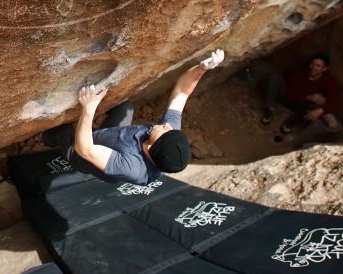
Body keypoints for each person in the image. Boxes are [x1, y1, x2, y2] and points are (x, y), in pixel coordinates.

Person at [42, 49, 225, 186]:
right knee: (125, 107)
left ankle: (48, 138)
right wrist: (202, 69)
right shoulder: (168, 137)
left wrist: (88, 109)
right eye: (170, 129)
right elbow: (182, 94)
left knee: (65, 130)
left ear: (153, 147)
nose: (167, 126)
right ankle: (91, 127)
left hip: (82, 154)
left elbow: (86, 149)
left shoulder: (132, 168)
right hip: (111, 137)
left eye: (165, 131)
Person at [260, 53, 340, 137]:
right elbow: (289, 92)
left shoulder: (328, 82)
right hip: (288, 98)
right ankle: (269, 109)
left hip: (302, 107)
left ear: (324, 69)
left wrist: (320, 110)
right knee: (275, 78)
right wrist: (308, 97)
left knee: (317, 107)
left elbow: (334, 103)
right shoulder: (301, 73)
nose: (313, 67)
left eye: (318, 66)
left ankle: (293, 121)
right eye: (312, 64)